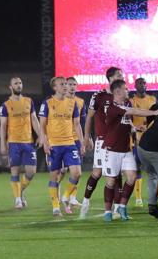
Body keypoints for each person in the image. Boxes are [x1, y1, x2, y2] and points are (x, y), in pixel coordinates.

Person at [101, 80, 158, 221]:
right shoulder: (112, 106)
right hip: (112, 150)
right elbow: (133, 111)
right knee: (111, 182)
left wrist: (135, 128)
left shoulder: (126, 103)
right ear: (117, 91)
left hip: (126, 149)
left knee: (132, 176)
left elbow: (127, 121)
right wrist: (154, 112)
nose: (128, 90)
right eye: (125, 88)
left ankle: (122, 207)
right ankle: (107, 212)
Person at [79, 67, 124, 218]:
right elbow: (89, 117)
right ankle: (85, 201)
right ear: (110, 78)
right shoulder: (99, 96)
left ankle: (118, 208)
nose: (121, 76)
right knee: (97, 173)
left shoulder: (122, 95)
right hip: (103, 141)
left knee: (116, 174)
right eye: (119, 75)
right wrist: (86, 136)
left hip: (118, 140)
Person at [39, 77, 85, 216]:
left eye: (66, 84)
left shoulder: (73, 103)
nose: (65, 86)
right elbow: (42, 126)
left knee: (77, 173)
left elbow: (77, 124)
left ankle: (65, 196)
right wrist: (45, 143)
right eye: (62, 84)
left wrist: (82, 143)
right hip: (54, 145)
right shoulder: (47, 103)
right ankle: (55, 207)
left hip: (70, 143)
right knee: (55, 176)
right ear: (55, 87)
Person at [0, 77, 42, 209]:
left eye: (20, 83)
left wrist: (41, 136)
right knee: (15, 171)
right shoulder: (5, 105)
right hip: (13, 142)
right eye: (16, 84)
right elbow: (3, 126)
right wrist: (2, 143)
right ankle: (18, 199)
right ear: (10, 87)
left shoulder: (29, 101)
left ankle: (21, 191)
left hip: (28, 142)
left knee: (31, 172)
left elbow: (34, 119)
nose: (18, 85)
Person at [58, 77, 87, 214]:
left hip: (75, 140)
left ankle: (72, 197)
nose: (72, 87)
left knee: (77, 172)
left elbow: (82, 122)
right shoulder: (59, 101)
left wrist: (87, 139)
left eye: (74, 85)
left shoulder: (80, 102)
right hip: (62, 141)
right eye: (70, 84)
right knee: (62, 171)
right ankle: (57, 191)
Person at [129, 77, 158, 208]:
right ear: (135, 86)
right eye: (139, 83)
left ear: (146, 85)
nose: (142, 85)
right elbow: (128, 119)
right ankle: (138, 198)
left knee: (155, 169)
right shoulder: (131, 101)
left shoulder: (152, 99)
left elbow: (155, 117)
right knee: (137, 169)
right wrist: (135, 128)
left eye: (144, 83)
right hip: (137, 139)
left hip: (151, 138)